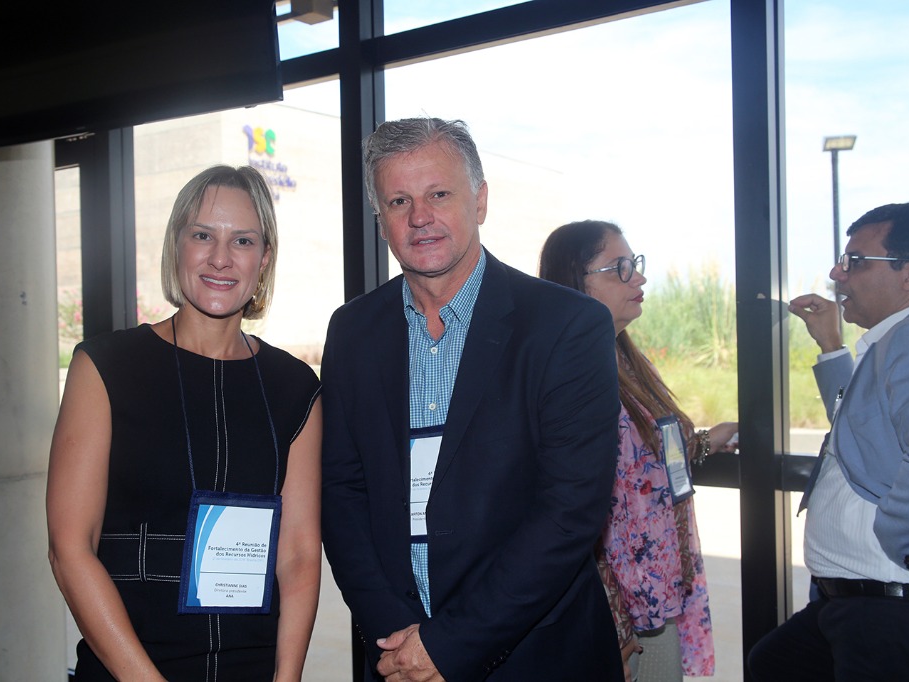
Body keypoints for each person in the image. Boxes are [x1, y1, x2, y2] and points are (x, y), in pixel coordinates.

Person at [320, 117, 623, 682]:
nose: (420, 217)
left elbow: (569, 511)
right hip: (397, 656)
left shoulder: (567, 326)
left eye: (439, 194)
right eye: (399, 201)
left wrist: (448, 645)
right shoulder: (352, 332)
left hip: (536, 658)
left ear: (480, 201)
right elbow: (341, 493)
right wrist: (396, 636)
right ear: (380, 220)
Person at [46, 165, 322, 681]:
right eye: (202, 235)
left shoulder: (295, 387)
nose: (221, 257)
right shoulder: (106, 368)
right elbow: (70, 549)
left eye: (243, 240)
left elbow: (299, 555)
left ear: (264, 259)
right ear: (177, 244)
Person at [539, 220, 736, 682]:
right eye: (620, 268)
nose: (639, 278)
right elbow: (568, 501)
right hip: (616, 604)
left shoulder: (627, 359)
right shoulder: (564, 371)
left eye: (635, 264)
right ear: (575, 281)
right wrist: (610, 613)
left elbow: (641, 455)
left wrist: (705, 441)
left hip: (657, 587)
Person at [747, 202, 909, 681]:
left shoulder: (908, 340)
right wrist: (830, 346)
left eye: (856, 261)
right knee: (772, 662)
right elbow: (860, 429)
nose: (837, 273)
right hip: (851, 600)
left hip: (884, 605)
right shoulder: (890, 339)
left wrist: (900, 542)